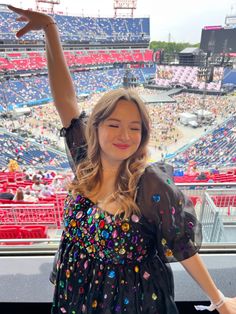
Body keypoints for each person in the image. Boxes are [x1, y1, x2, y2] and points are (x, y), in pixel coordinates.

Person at [8, 5, 236, 314]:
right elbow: (65, 100)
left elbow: (182, 247)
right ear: (96, 126)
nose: (124, 136)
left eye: (135, 128)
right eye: (114, 124)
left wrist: (220, 302)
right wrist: (50, 28)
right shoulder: (84, 159)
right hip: (76, 293)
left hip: (131, 301)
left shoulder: (151, 182)